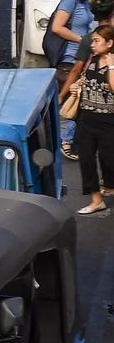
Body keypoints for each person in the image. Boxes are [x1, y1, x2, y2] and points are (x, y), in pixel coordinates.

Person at [50, 0, 101, 161]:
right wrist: (82, 39)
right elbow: (57, 27)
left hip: (81, 55)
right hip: (70, 58)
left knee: (79, 99)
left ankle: (66, 139)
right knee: (76, 100)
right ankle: (65, 140)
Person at [70, 25, 114, 215]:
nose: (92, 45)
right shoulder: (91, 60)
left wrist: (111, 65)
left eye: (97, 41)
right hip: (86, 118)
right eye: (92, 41)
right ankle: (96, 199)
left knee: (109, 160)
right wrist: (76, 86)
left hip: (108, 121)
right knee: (86, 160)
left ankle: (110, 185)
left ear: (110, 43)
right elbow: (84, 80)